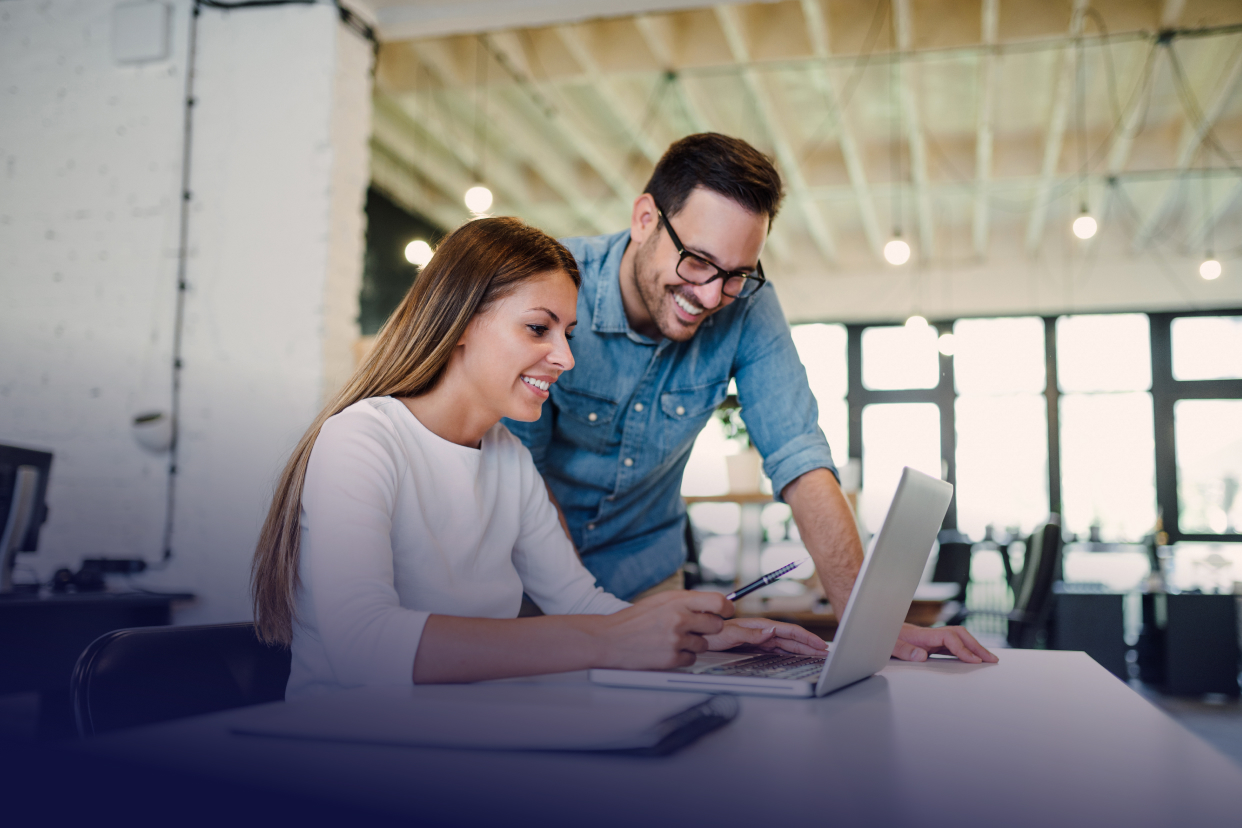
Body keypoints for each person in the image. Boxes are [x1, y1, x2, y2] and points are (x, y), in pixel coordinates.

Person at [250, 216, 826, 699]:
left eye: (568, 334)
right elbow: (364, 647)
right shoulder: (362, 440)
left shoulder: (507, 457)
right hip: (347, 755)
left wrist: (707, 633)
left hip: (462, 746)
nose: (565, 359)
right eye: (537, 329)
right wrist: (608, 642)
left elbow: (576, 601)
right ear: (460, 324)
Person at [504, 134, 996, 664]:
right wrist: (592, 617)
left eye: (736, 274)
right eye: (696, 261)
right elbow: (517, 467)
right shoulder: (554, 287)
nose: (713, 296)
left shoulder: (749, 306)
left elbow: (800, 456)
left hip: (648, 578)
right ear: (645, 219)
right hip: (530, 581)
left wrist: (872, 625)